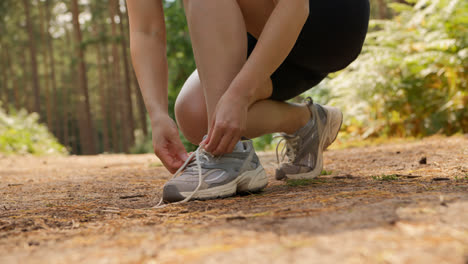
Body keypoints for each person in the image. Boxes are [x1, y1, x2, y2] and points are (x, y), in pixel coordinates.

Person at [127, 0, 370, 204]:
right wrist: (157, 114)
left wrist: (239, 94)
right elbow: (145, 30)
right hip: (264, 32)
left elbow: (295, 5)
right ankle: (307, 122)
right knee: (195, 114)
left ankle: (231, 156)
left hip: (329, 20)